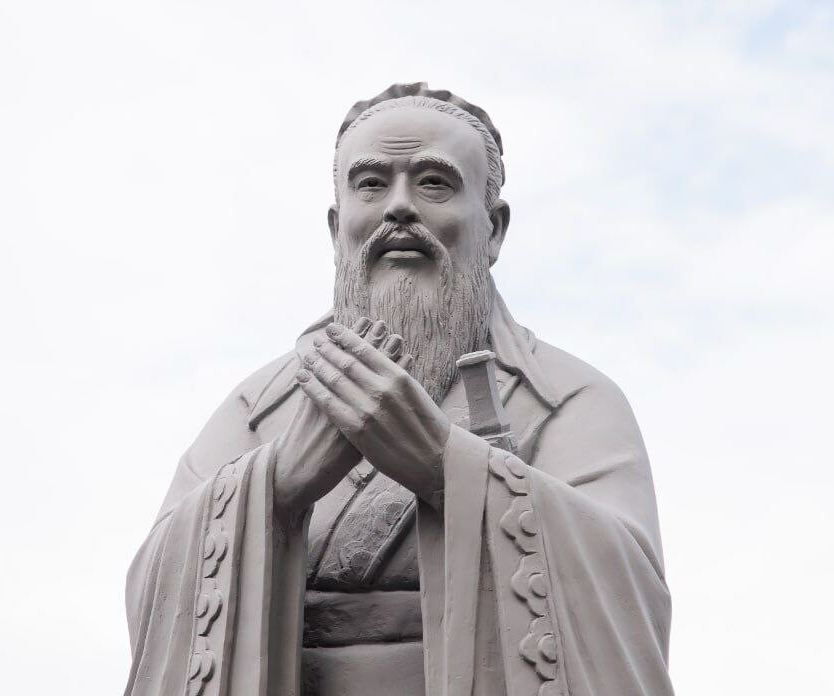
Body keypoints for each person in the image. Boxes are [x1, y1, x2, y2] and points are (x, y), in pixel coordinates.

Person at [124, 83, 673, 696]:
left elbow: (629, 596)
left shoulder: (567, 398)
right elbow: (155, 589)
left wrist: (447, 466)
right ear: (337, 227)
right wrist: (275, 487)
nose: (400, 207)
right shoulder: (259, 408)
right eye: (371, 184)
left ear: (493, 229)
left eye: (434, 183)